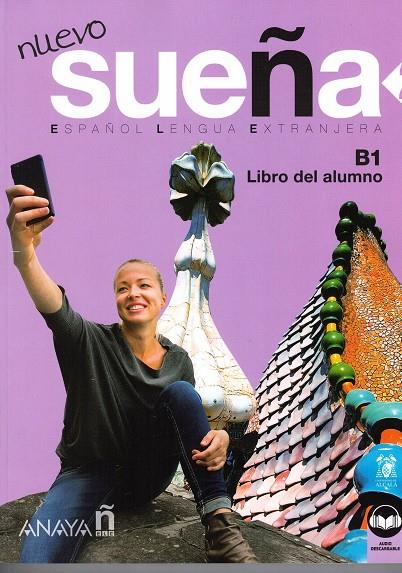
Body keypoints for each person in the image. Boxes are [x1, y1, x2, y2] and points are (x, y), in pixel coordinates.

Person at [5, 184, 258, 564]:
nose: (133, 293)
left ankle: (221, 529)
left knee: (182, 394)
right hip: (86, 474)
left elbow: (191, 428)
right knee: (36, 558)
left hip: (147, 474)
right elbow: (55, 308)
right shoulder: (90, 340)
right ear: (116, 300)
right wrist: (25, 255)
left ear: (161, 298)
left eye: (143, 285)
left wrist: (219, 436)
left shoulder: (179, 361)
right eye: (123, 288)